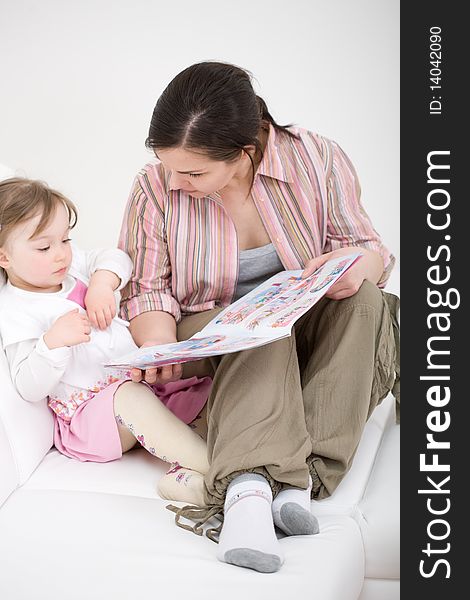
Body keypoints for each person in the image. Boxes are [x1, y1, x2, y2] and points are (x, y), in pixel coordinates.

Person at [118, 61, 400, 573]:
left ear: (246, 150)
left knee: (367, 302)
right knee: (255, 325)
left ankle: (297, 482)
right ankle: (249, 490)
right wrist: (160, 347)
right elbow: (146, 288)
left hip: (301, 328)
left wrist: (352, 266)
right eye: (169, 165)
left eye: (194, 172)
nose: (177, 180)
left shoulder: (318, 158)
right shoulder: (154, 186)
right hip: (213, 336)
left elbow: (368, 249)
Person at [0, 177, 213, 506]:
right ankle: (218, 472)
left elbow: (118, 258)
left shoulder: (73, 270)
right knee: (131, 398)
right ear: (4, 258)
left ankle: (184, 478)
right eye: (44, 247)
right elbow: (28, 386)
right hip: (88, 419)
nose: (61, 255)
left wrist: (101, 284)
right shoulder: (15, 310)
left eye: (65, 240)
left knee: (209, 391)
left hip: (142, 388)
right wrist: (53, 343)